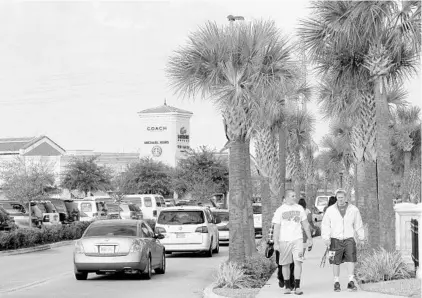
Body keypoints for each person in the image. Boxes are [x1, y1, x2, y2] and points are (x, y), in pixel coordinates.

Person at [321, 189, 365, 292]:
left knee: (351, 260)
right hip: (335, 239)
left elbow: (358, 225)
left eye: (342, 197)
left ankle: (351, 282)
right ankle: (336, 282)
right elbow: (325, 225)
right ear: (336, 197)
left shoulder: (354, 210)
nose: (340, 199)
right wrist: (326, 238)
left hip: (349, 238)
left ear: (346, 198)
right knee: (336, 262)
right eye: (338, 197)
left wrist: (361, 238)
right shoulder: (330, 210)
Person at [273, 189, 313, 295]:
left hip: (297, 239)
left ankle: (297, 286)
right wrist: (275, 243)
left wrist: (310, 238)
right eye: (292, 196)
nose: (294, 197)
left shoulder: (299, 208)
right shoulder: (280, 210)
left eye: (295, 195)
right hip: (284, 240)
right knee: (285, 264)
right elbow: (276, 228)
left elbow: (305, 224)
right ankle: (287, 286)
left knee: (298, 262)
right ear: (286, 198)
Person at [268, 196, 295, 289]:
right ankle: (281, 278)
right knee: (280, 263)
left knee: (292, 263)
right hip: (279, 242)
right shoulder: (277, 213)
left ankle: (291, 283)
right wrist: (271, 242)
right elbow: (272, 227)